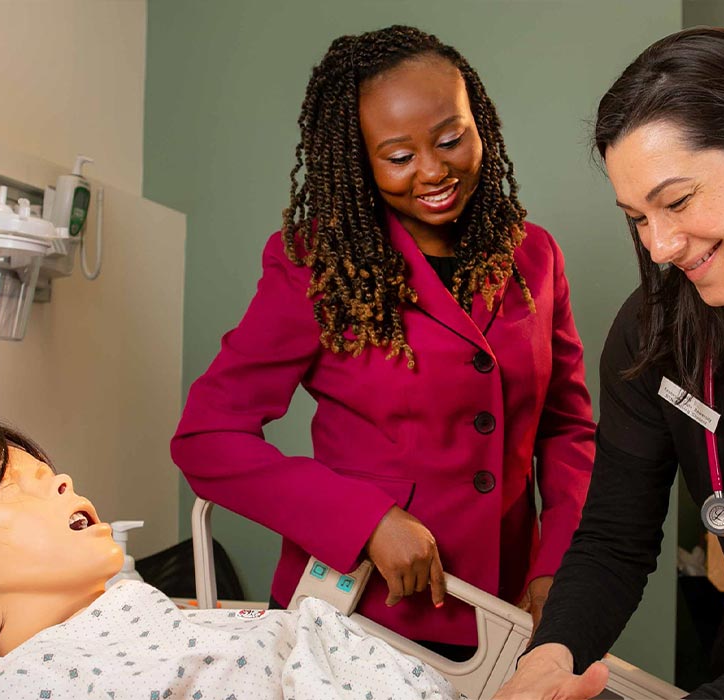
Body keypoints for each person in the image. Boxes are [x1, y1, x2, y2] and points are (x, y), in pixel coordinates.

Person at [170, 24, 595, 655]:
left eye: (452, 139)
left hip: (504, 611)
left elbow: (567, 429)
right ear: (357, 160)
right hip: (359, 614)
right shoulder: (315, 263)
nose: (434, 171)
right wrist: (363, 519)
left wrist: (556, 564)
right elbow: (207, 438)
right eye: (398, 157)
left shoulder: (534, 255)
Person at [495, 26, 724, 700]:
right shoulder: (655, 333)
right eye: (637, 216)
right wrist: (550, 657)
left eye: (678, 201)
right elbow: (612, 539)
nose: (659, 246)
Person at [0, 415, 457, 699]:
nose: (63, 480)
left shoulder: (143, 618)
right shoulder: (19, 683)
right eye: (13, 485)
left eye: (52, 473)